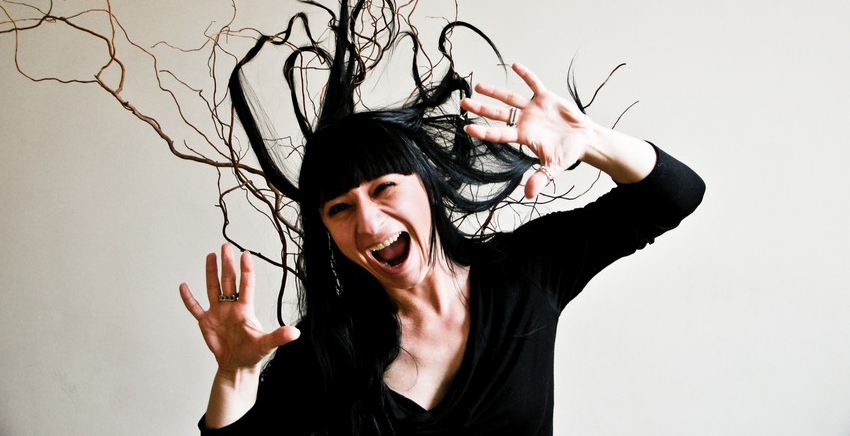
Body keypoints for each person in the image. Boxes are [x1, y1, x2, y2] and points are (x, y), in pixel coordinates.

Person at [179, 62, 705, 435]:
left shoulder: (522, 273)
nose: (369, 222)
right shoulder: (324, 348)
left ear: (427, 188)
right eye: (340, 208)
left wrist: (589, 140)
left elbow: (672, 196)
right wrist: (235, 376)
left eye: (384, 188)